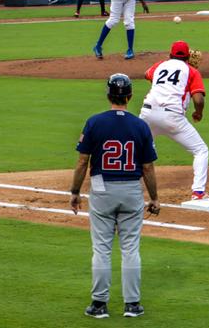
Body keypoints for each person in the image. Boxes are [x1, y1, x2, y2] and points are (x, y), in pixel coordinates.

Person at [70, 73, 160, 318]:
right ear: (129, 97)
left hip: (101, 190)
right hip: (131, 189)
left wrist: (75, 192)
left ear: (108, 95)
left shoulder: (94, 122)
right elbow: (148, 167)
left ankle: (99, 305)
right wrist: (154, 198)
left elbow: (81, 162)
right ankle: (132, 304)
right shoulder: (140, 125)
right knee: (130, 248)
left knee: (101, 249)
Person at [139, 41, 209, 200]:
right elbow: (198, 100)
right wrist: (198, 114)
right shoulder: (191, 71)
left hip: (147, 114)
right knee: (201, 150)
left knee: (141, 150)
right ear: (187, 57)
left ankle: (129, 187)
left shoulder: (160, 65)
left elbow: (146, 74)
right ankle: (198, 193)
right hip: (172, 117)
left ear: (170, 54)